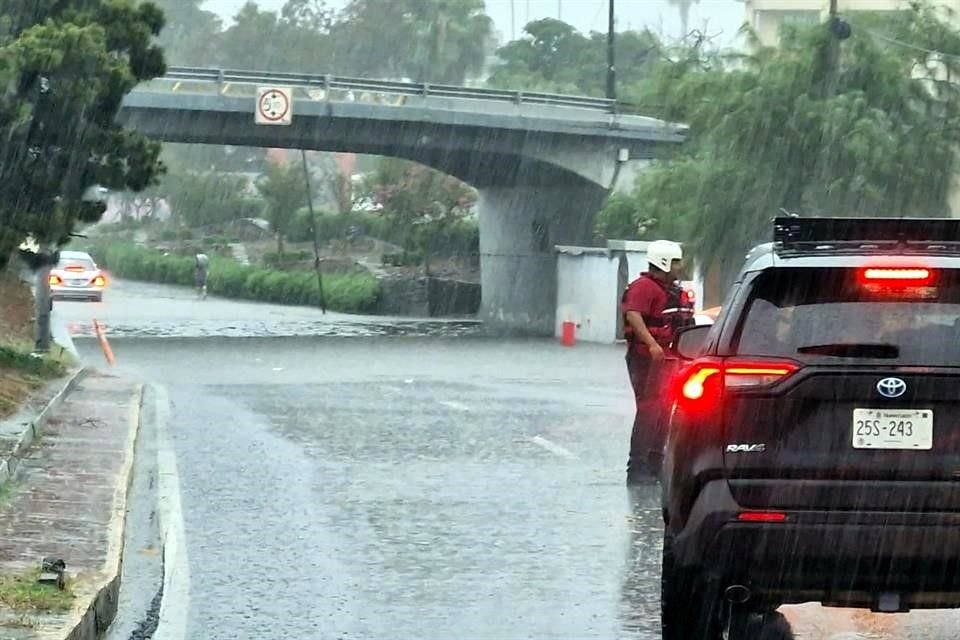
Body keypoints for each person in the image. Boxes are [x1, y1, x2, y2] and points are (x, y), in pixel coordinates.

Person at [622, 240, 684, 482]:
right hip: (646, 358)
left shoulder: (672, 291)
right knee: (649, 410)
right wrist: (652, 344)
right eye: (676, 262)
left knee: (664, 409)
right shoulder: (643, 287)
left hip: (669, 358)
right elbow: (633, 315)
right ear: (664, 262)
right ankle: (637, 466)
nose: (680, 267)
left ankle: (655, 462)